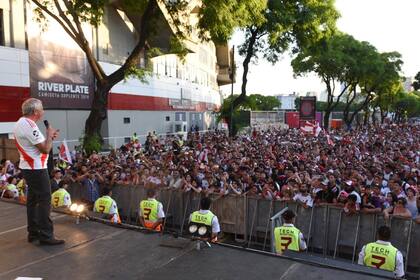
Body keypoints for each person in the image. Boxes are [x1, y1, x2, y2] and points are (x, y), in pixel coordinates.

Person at [13, 98, 64, 245]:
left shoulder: (22, 123)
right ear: (35, 111)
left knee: (33, 200)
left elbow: (41, 145)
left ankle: (33, 233)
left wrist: (49, 138)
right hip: (36, 168)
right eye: (41, 108)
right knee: (44, 201)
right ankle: (46, 235)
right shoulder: (29, 125)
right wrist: (49, 134)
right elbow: (45, 149)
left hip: (30, 167)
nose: (43, 111)